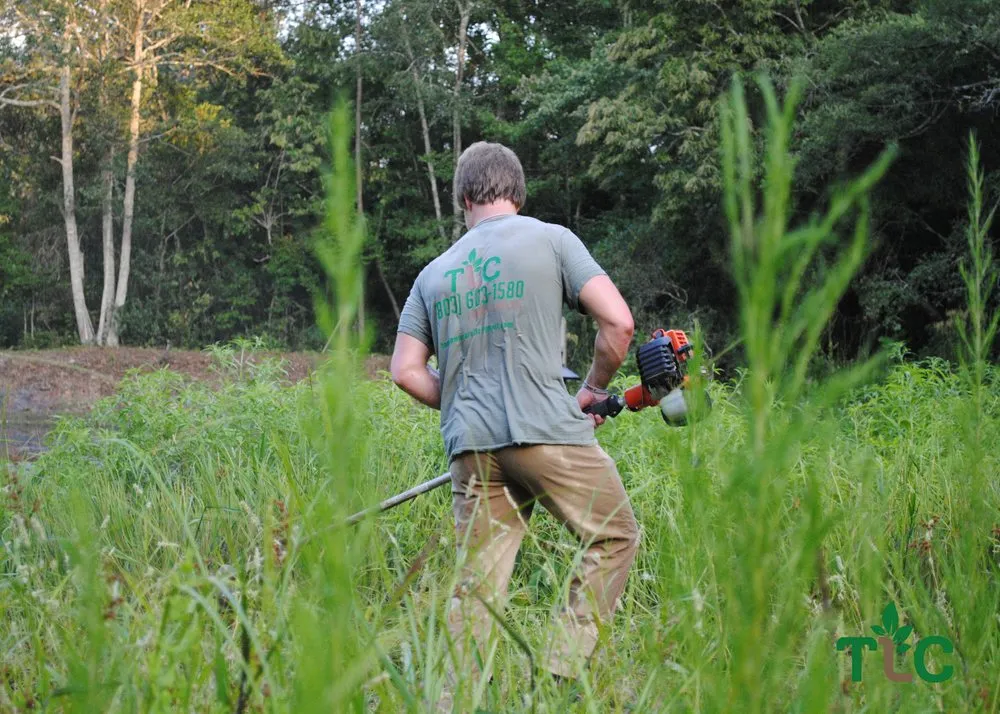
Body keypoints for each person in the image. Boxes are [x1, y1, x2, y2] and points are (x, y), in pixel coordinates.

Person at [390, 141, 639, 705]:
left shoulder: (433, 273)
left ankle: (450, 698)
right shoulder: (552, 240)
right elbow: (619, 323)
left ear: (462, 198)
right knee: (615, 534)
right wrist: (592, 390)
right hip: (548, 432)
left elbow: (405, 372)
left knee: (476, 586)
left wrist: (460, 400)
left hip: (472, 448)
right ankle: (562, 674)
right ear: (518, 192)